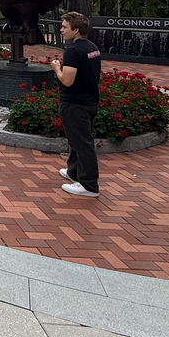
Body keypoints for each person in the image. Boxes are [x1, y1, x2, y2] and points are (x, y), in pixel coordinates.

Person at [49, 12, 101, 198]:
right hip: (90, 101)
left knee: (82, 143)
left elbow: (67, 80)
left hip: (74, 103)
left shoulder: (72, 51)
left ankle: (89, 185)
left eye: (64, 27)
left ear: (76, 30)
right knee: (77, 140)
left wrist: (56, 68)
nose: (61, 30)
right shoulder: (92, 47)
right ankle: (73, 172)